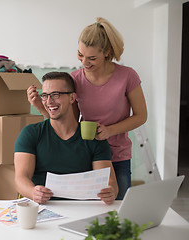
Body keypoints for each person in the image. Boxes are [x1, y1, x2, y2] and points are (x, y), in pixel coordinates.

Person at [27, 17, 147, 200]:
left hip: (118, 155)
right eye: (80, 55)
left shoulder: (127, 76)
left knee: (117, 210)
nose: (84, 62)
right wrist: (40, 106)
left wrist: (110, 131)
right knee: (86, 211)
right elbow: (68, 121)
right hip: (86, 155)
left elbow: (141, 116)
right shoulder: (74, 80)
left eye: (92, 58)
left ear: (107, 52)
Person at [14, 72, 118, 205]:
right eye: (45, 95)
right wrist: (33, 191)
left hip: (82, 208)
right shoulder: (31, 133)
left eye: (56, 95)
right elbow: (20, 179)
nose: (49, 101)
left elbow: (109, 182)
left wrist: (111, 192)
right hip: (42, 208)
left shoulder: (93, 136)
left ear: (72, 97)